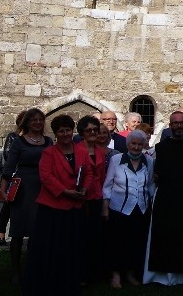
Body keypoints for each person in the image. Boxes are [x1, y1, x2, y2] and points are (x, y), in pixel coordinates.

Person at [22, 114, 92, 296]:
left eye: (68, 130)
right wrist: (64, 191)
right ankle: (47, 282)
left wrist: (84, 188)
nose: (65, 134)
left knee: (70, 247)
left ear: (72, 131)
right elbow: (46, 177)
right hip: (53, 207)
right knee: (51, 248)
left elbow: (89, 173)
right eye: (61, 131)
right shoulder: (49, 153)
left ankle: (68, 282)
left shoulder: (82, 151)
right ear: (56, 133)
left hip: (74, 207)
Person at [143, 111, 183, 285]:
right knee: (163, 238)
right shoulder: (159, 148)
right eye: (175, 123)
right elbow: (153, 175)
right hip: (165, 199)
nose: (178, 126)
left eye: (181, 123)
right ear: (170, 125)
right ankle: (160, 276)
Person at [0, 107, 51, 285]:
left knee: (38, 231)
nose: (37, 122)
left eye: (40, 120)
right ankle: (15, 271)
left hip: (43, 186)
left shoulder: (48, 141)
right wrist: (3, 190)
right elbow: (10, 166)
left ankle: (34, 268)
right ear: (27, 122)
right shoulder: (19, 142)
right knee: (18, 231)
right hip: (23, 186)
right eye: (33, 120)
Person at [102, 129, 154, 289]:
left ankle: (131, 274)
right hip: (120, 208)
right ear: (127, 144)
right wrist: (105, 208)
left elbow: (151, 183)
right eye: (133, 143)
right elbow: (108, 184)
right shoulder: (116, 159)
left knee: (136, 243)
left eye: (140, 144)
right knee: (118, 242)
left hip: (141, 208)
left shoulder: (149, 161)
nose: (136, 147)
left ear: (144, 145)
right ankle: (116, 275)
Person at [74, 115, 108, 285]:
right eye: (89, 130)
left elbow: (102, 177)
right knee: (79, 237)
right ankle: (78, 273)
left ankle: (93, 273)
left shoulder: (100, 152)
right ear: (82, 133)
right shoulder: (76, 150)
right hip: (79, 198)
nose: (93, 133)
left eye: (95, 129)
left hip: (96, 197)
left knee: (93, 236)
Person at [0, 110, 27, 247]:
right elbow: (8, 155)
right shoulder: (13, 137)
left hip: (28, 177)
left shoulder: (36, 139)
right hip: (14, 176)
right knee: (8, 205)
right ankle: (1, 233)